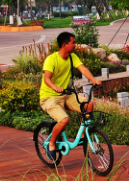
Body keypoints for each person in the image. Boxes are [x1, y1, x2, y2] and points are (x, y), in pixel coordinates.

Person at [40, 31, 102, 161]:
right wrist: (55, 87)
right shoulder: (51, 60)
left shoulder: (72, 57)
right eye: (73, 43)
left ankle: (83, 137)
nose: (75, 45)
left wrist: (94, 80)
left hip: (65, 95)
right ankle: (51, 144)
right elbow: (47, 79)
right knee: (64, 120)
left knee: (88, 104)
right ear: (64, 45)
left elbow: (83, 69)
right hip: (49, 97)